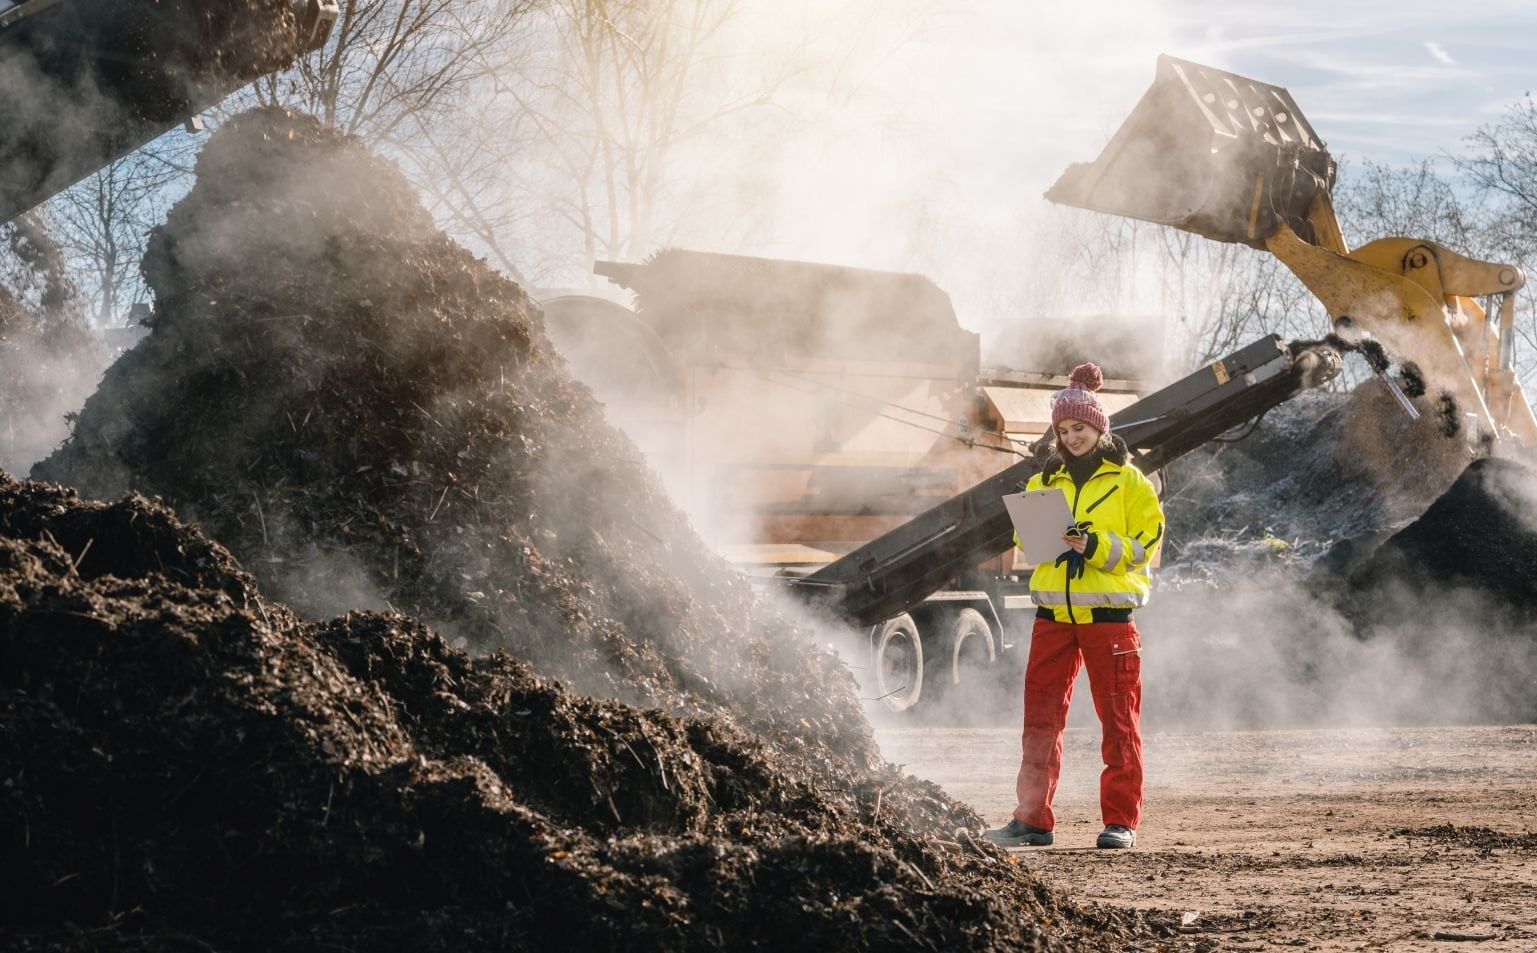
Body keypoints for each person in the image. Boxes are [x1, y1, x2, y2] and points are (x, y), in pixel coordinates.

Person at [985, 362, 1164, 850]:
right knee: (1039, 722)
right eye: (1062, 429)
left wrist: (1095, 544)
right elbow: (1028, 539)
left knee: (1119, 722)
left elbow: (1146, 543)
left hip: (1109, 621)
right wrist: (1040, 530)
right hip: (1052, 618)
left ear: (1099, 427)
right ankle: (1033, 820)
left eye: (1078, 427)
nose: (1070, 436)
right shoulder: (1049, 478)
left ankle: (1121, 822)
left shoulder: (1130, 482)